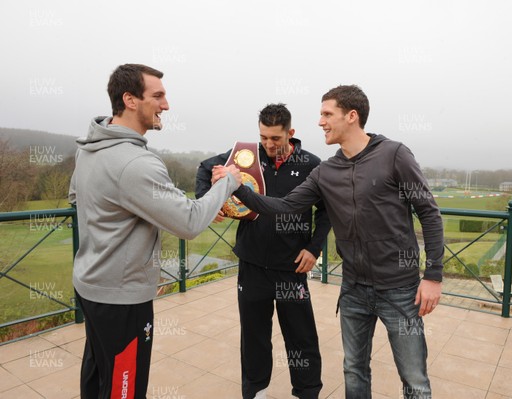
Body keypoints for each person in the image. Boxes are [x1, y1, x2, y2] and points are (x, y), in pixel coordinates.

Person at [225, 85, 444, 399]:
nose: (320, 122)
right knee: (354, 371)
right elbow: (285, 206)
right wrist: (238, 188)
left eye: (327, 114)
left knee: (414, 378)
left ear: (351, 116)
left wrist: (433, 276)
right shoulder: (326, 170)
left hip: (399, 288)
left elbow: (429, 213)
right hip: (353, 289)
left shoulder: (394, 154)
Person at [68, 63, 241, 399]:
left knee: (98, 377)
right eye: (158, 96)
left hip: (90, 286)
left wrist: (152, 208)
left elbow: (78, 196)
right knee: (124, 389)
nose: (166, 105)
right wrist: (227, 183)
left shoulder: (90, 147)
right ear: (130, 100)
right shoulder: (136, 163)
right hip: (122, 298)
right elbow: (189, 223)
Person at [196, 103, 331, 399]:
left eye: (276, 139)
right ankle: (256, 392)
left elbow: (325, 211)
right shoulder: (247, 156)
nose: (269, 145)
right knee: (255, 336)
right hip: (252, 263)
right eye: (264, 137)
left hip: (292, 267)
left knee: (301, 336)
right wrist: (209, 200)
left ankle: (307, 392)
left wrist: (314, 248)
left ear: (291, 133)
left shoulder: (312, 164)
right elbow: (206, 167)